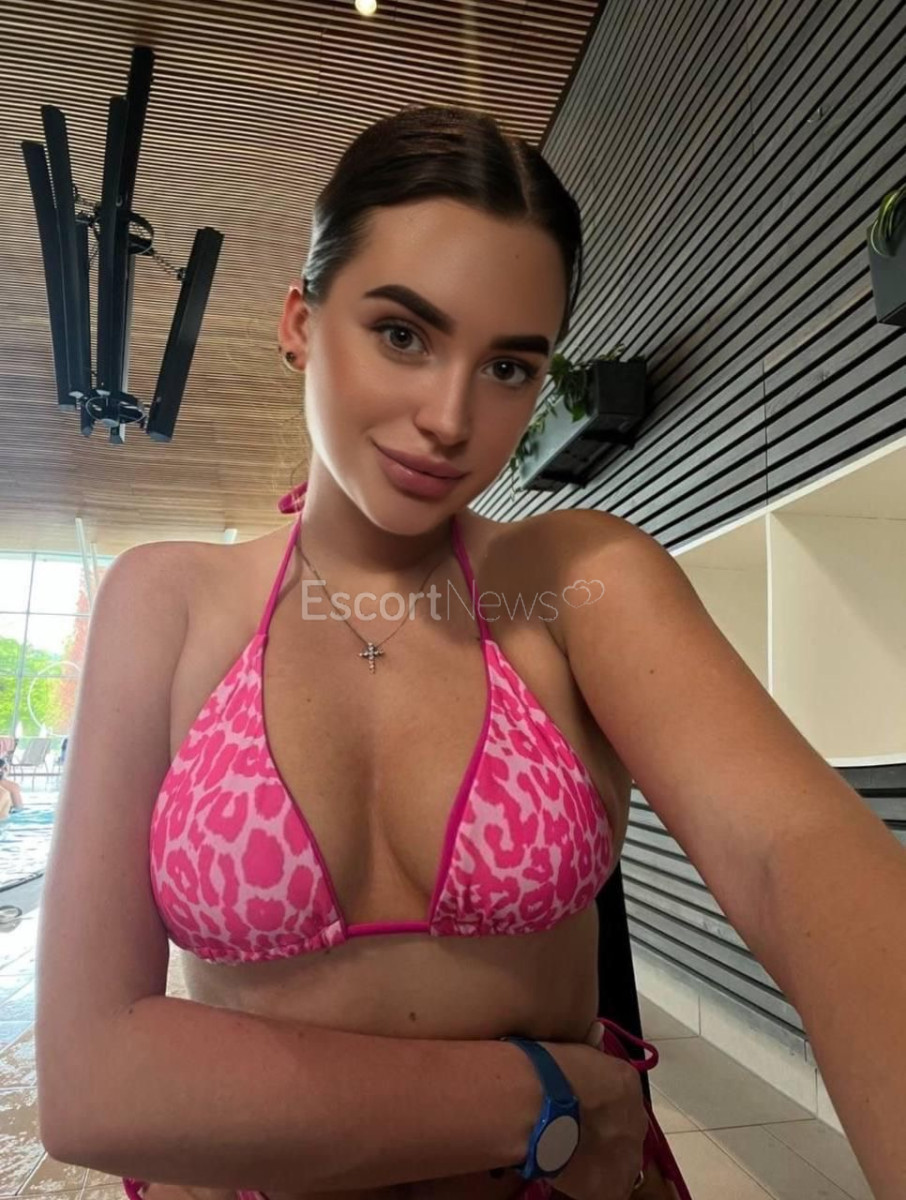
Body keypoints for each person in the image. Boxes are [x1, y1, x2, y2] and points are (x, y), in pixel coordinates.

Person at [34, 103, 906, 1200]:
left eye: (508, 368)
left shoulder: (573, 581)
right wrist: (541, 1097)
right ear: (301, 321)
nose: (452, 418)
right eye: (403, 334)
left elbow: (795, 854)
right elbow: (93, 1085)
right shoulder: (164, 602)